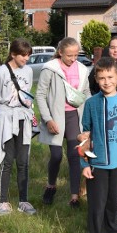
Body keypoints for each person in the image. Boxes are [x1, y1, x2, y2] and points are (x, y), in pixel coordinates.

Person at [80, 57, 117, 233]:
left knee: (113, 203)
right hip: (98, 164)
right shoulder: (92, 103)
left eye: (110, 77)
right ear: (96, 79)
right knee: (97, 204)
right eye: (101, 78)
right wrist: (85, 164)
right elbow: (85, 137)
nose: (106, 81)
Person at [37, 37, 91, 208]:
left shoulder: (82, 69)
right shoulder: (50, 69)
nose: (73, 59)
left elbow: (87, 91)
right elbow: (40, 95)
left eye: (76, 55)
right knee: (56, 155)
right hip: (56, 118)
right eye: (69, 55)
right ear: (60, 53)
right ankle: (51, 186)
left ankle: (74, 195)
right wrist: (48, 119)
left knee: (75, 155)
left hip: (74, 116)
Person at [0, 38, 37, 216]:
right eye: (23, 55)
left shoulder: (29, 71)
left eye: (28, 55)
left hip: (23, 117)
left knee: (23, 161)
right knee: (7, 160)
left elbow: (27, 94)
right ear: (13, 54)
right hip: (6, 118)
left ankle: (23, 200)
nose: (26, 59)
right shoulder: (1, 72)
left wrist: (30, 113)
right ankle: (2, 201)